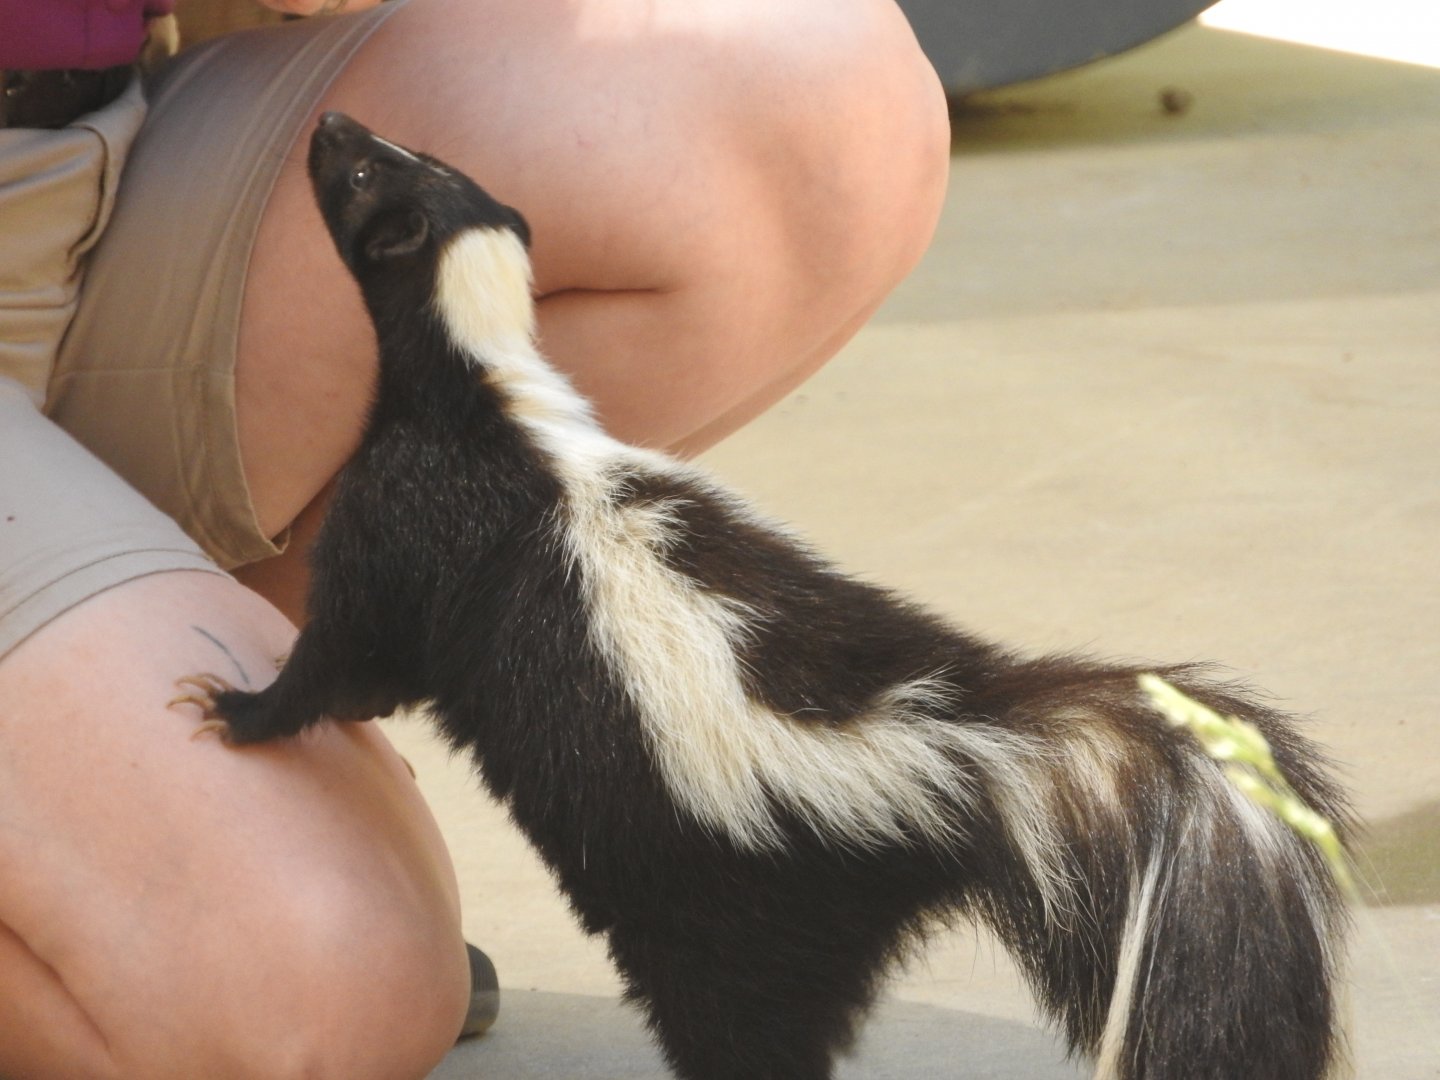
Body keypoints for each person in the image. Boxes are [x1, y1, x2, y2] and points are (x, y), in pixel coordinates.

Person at [0, 0, 949, 1076]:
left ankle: (139, 775)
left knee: (818, 93)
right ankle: (160, 833)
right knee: (315, 990)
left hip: (71, 150)